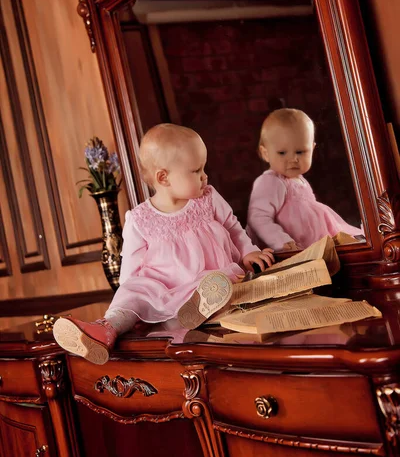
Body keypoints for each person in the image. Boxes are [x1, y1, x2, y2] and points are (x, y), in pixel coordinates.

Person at [53, 124, 273, 364]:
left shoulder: (208, 198)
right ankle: (106, 329)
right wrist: (129, 300)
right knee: (133, 293)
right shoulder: (140, 219)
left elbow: (232, 227)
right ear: (163, 177)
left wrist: (249, 251)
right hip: (160, 290)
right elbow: (130, 269)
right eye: (196, 170)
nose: (204, 176)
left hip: (203, 282)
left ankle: (196, 312)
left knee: (218, 284)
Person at [247, 108, 363, 252]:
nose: (293, 159)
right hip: (291, 246)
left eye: (300, 152)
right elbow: (258, 218)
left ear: (312, 149)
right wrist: (281, 241)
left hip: (313, 239)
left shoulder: (299, 180)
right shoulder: (270, 181)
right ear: (265, 153)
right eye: (282, 152)